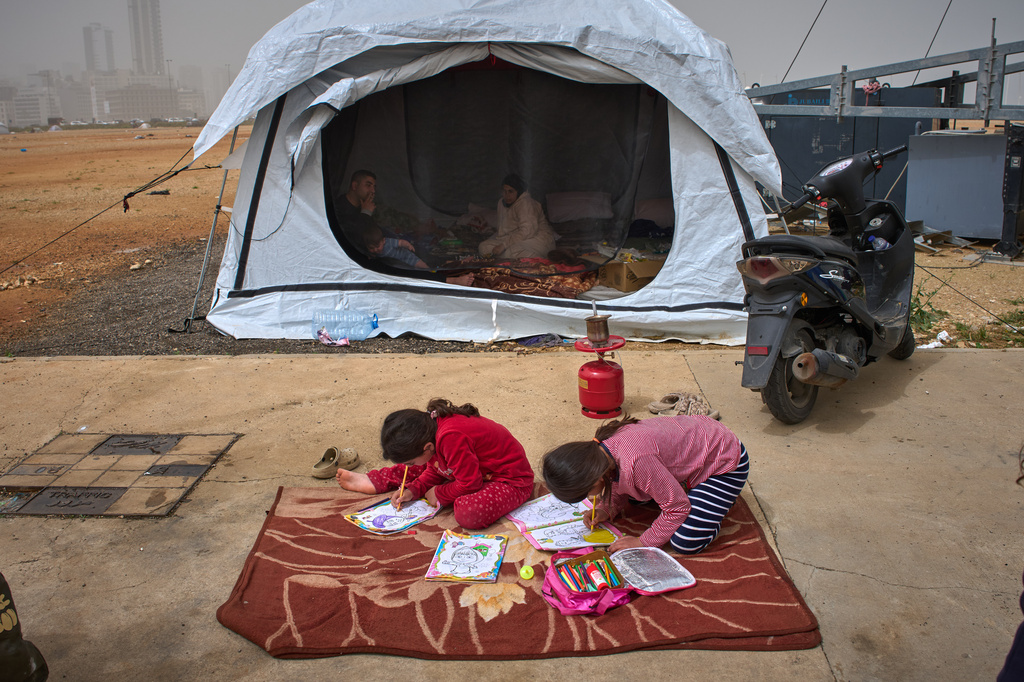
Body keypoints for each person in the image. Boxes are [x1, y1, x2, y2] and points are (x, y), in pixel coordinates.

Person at [541, 414, 749, 554]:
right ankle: (702, 497)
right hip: (698, 442)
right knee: (637, 491)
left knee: (685, 541)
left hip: (724, 461)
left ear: (595, 478)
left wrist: (642, 542)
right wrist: (606, 508)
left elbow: (678, 508)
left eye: (587, 493)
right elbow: (615, 481)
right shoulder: (601, 452)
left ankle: (715, 512)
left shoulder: (636, 463)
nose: (590, 499)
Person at [336, 398, 535, 530]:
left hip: (511, 480)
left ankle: (381, 479)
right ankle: (375, 480)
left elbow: (470, 484)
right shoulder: (430, 433)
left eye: (411, 460)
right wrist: (414, 490)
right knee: (417, 469)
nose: (409, 466)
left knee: (467, 513)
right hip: (473, 470)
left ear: (428, 447)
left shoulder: (450, 438)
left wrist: (440, 493)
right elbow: (436, 468)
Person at [477, 174, 557, 259]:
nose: (507, 195)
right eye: (504, 191)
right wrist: (502, 244)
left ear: (518, 191)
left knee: (514, 250)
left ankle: (532, 258)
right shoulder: (501, 203)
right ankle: (517, 258)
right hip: (514, 240)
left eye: (510, 191)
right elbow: (503, 231)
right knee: (484, 247)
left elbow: (527, 231)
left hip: (537, 239)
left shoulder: (526, 203)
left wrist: (504, 245)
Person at [361, 222, 429, 269]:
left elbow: (401, 242)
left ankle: (430, 270)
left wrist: (408, 245)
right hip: (397, 264)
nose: (375, 250)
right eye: (371, 248)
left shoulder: (388, 242)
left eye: (377, 246)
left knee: (422, 266)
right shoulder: (373, 252)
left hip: (406, 257)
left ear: (383, 241)